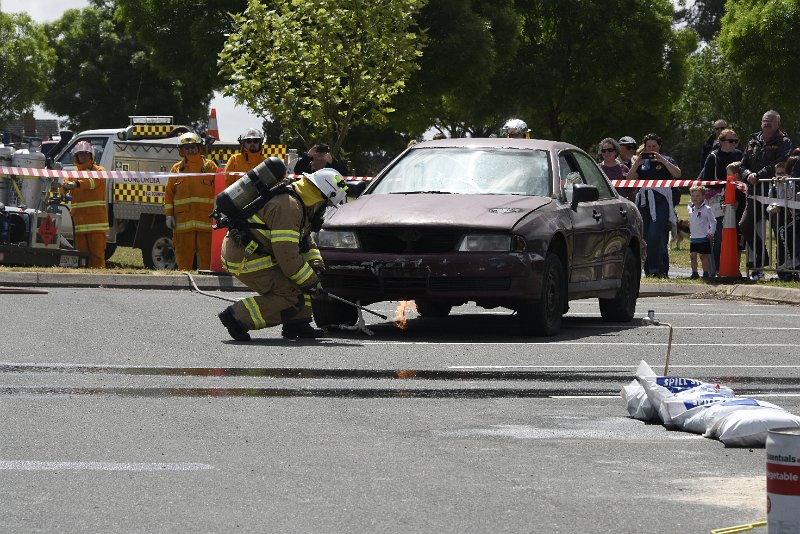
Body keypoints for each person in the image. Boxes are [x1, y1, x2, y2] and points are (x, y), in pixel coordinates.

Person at [217, 166, 348, 340]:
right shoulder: (289, 208)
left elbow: (304, 241)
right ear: (320, 197)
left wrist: (316, 266)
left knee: (305, 277)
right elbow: (288, 258)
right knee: (291, 293)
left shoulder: (300, 201)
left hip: (255, 252)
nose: (324, 210)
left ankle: (297, 324)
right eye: (326, 204)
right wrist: (312, 282)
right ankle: (237, 317)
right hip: (245, 258)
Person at [732, 110, 793, 280]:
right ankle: (762, 256)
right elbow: (742, 164)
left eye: (771, 121)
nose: (767, 123)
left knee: (779, 231)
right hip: (755, 194)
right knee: (745, 224)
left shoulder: (784, 141)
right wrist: (747, 175)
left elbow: (780, 162)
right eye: (765, 120)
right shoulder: (753, 140)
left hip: (775, 194)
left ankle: (784, 271)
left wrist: (758, 175)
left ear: (778, 124)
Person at [627, 133, 682, 278]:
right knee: (645, 236)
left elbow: (677, 174)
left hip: (661, 200)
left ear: (659, 146)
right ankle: (650, 270)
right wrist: (637, 163)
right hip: (644, 201)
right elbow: (629, 179)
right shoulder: (642, 162)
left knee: (655, 234)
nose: (651, 149)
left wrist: (663, 161)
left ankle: (659, 269)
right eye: (648, 146)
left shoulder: (667, 159)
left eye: (654, 146)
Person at [165, 132, 218, 271]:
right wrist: (169, 215)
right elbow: (169, 193)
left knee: (207, 254)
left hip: (206, 221)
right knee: (183, 254)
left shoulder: (210, 166)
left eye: (193, 146)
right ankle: (185, 282)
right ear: (181, 150)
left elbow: (218, 191)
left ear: (199, 148)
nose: (190, 150)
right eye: (186, 147)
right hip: (183, 222)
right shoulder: (176, 169)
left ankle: (207, 282)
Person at [701, 127, 743, 274]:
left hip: (738, 201)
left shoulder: (740, 155)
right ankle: (716, 269)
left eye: (735, 141)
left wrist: (736, 198)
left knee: (736, 238)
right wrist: (726, 186)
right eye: (730, 141)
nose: (733, 144)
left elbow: (742, 180)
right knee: (718, 236)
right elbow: (707, 182)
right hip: (718, 203)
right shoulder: (713, 157)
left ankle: (734, 269)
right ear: (721, 141)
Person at [60, 141, 109, 268]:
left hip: (96, 224)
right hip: (80, 224)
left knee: (97, 256)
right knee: (81, 257)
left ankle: (99, 282)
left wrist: (76, 184)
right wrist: (64, 186)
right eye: (80, 154)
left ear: (91, 155)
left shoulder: (99, 170)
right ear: (76, 156)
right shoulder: (74, 173)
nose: (82, 156)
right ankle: (84, 280)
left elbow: (93, 183)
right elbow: (64, 185)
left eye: (85, 154)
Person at [687, 185, 716, 279]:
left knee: (703, 256)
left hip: (703, 237)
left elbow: (713, 221)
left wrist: (711, 232)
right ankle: (694, 273)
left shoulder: (706, 209)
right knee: (692, 256)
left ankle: (706, 273)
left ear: (703, 196)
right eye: (693, 196)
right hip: (694, 237)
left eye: (698, 196)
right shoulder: (690, 208)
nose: (695, 198)